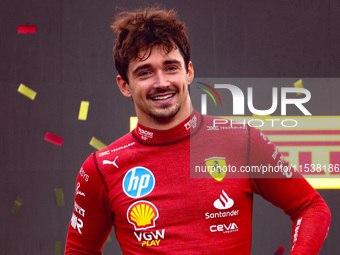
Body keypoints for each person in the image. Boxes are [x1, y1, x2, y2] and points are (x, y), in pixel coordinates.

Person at [65, 7, 331, 254]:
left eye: (171, 67)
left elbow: (311, 208)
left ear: (189, 72)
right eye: (144, 73)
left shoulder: (242, 141)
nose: (162, 82)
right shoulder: (101, 168)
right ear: (124, 85)